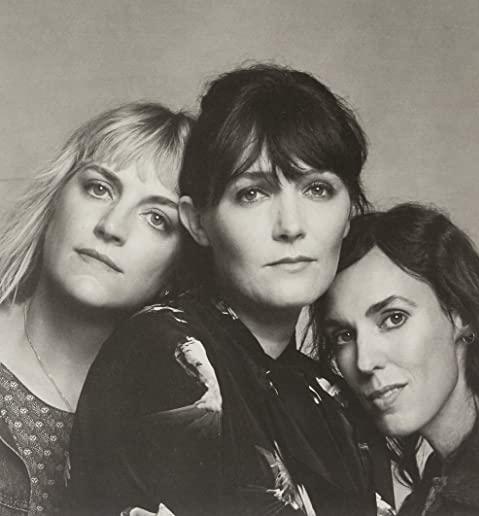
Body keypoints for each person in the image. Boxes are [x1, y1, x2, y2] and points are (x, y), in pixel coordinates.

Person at [69, 64, 393, 516]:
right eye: (252, 193)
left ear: (347, 215)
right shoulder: (165, 350)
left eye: (318, 189)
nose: (291, 226)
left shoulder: (334, 400)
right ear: (198, 222)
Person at [0, 102, 192, 515]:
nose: (111, 226)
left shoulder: (178, 420)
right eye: (99, 188)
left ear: (179, 265)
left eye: (156, 218)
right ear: (56, 200)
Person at [314, 203, 479, 516]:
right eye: (344, 335)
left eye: (393, 318)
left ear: (461, 314)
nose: (365, 362)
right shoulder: (425, 499)